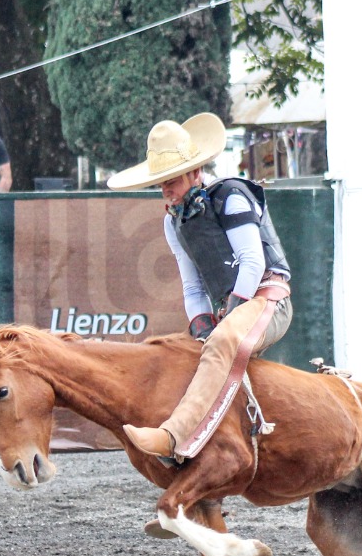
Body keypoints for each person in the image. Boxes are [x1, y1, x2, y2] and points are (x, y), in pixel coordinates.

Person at [107, 112, 293, 464]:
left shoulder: (232, 196)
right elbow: (193, 288)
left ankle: (174, 438)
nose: (165, 188)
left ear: (195, 172)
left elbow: (253, 263)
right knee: (184, 352)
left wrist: (223, 324)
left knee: (222, 343)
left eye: (171, 179)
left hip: (269, 299)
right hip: (233, 310)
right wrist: (202, 327)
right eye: (160, 181)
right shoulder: (172, 222)